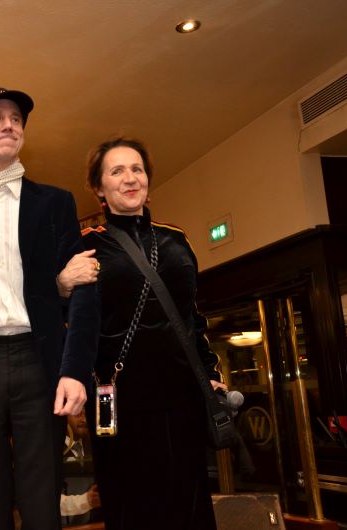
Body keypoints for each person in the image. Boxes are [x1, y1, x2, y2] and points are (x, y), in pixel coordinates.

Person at [0, 87, 99, 530]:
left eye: (15, 118)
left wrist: (75, 370)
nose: (8, 124)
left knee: (42, 493)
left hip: (38, 358)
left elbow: (83, 288)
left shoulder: (56, 203)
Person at [58, 136, 225, 529]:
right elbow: (72, 322)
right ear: (99, 188)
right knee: (132, 504)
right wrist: (60, 285)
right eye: (117, 171)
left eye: (137, 169)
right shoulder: (87, 246)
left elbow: (191, 319)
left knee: (189, 501)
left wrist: (211, 374)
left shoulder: (177, 240)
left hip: (182, 394)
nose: (130, 178)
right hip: (120, 400)